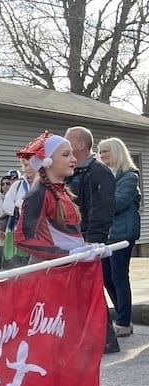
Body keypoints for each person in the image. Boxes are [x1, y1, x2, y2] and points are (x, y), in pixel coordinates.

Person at [65, 126, 119, 354]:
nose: (65, 146)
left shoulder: (98, 172)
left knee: (93, 289)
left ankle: (107, 339)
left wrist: (93, 240)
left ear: (80, 145)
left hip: (89, 240)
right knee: (81, 292)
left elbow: (103, 208)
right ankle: (90, 337)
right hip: (76, 239)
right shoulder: (75, 172)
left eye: (68, 142)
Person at [14, 132, 83, 260]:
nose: (74, 159)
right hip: (50, 272)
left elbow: (69, 235)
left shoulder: (61, 191)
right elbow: (22, 239)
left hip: (67, 268)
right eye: (66, 154)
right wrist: (65, 254)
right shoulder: (38, 193)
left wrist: (88, 246)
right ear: (48, 161)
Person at [97, 137, 141, 337]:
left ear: (116, 151)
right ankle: (125, 318)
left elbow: (118, 202)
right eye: (100, 151)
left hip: (123, 234)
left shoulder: (129, 176)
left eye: (105, 151)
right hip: (107, 235)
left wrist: (96, 201)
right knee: (107, 277)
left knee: (119, 276)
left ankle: (123, 322)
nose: (102, 155)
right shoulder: (104, 175)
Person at [2, 159, 36, 269]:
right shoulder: (18, 185)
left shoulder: (43, 183)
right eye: (25, 165)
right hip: (17, 230)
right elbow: (6, 205)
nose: (28, 168)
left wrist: (20, 206)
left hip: (37, 231)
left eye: (31, 164)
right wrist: (20, 209)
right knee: (16, 266)